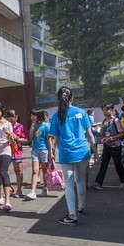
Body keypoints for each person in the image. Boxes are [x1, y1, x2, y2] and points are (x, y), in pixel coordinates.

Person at [49, 87, 97, 226]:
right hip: (83, 151)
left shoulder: (57, 116)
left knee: (69, 183)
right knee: (80, 180)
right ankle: (81, 207)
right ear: (72, 98)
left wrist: (60, 150)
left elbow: (56, 139)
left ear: (58, 99)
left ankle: (72, 215)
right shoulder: (82, 112)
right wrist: (95, 152)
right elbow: (90, 134)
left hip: (67, 152)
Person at [91, 104, 124, 190]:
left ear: (111, 110)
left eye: (106, 110)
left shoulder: (116, 120)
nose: (104, 112)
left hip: (116, 146)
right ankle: (98, 183)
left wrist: (111, 138)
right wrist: (103, 127)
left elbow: (122, 133)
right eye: (103, 110)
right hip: (107, 146)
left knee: (118, 164)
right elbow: (102, 135)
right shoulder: (104, 121)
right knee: (103, 164)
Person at [26, 109, 52, 199]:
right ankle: (32, 191)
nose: (32, 118)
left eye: (34, 116)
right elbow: (30, 138)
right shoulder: (34, 125)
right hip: (35, 150)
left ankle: (45, 188)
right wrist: (32, 128)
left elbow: (49, 140)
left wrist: (51, 153)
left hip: (44, 150)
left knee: (45, 171)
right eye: (31, 116)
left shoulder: (46, 126)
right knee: (35, 170)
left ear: (38, 116)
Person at [6, 109, 28, 198]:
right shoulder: (5, 127)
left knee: (18, 171)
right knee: (4, 171)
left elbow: (26, 139)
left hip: (17, 151)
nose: (10, 119)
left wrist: (17, 139)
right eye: (8, 117)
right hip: (6, 150)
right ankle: (9, 187)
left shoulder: (20, 127)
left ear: (16, 117)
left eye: (12, 117)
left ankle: (19, 190)